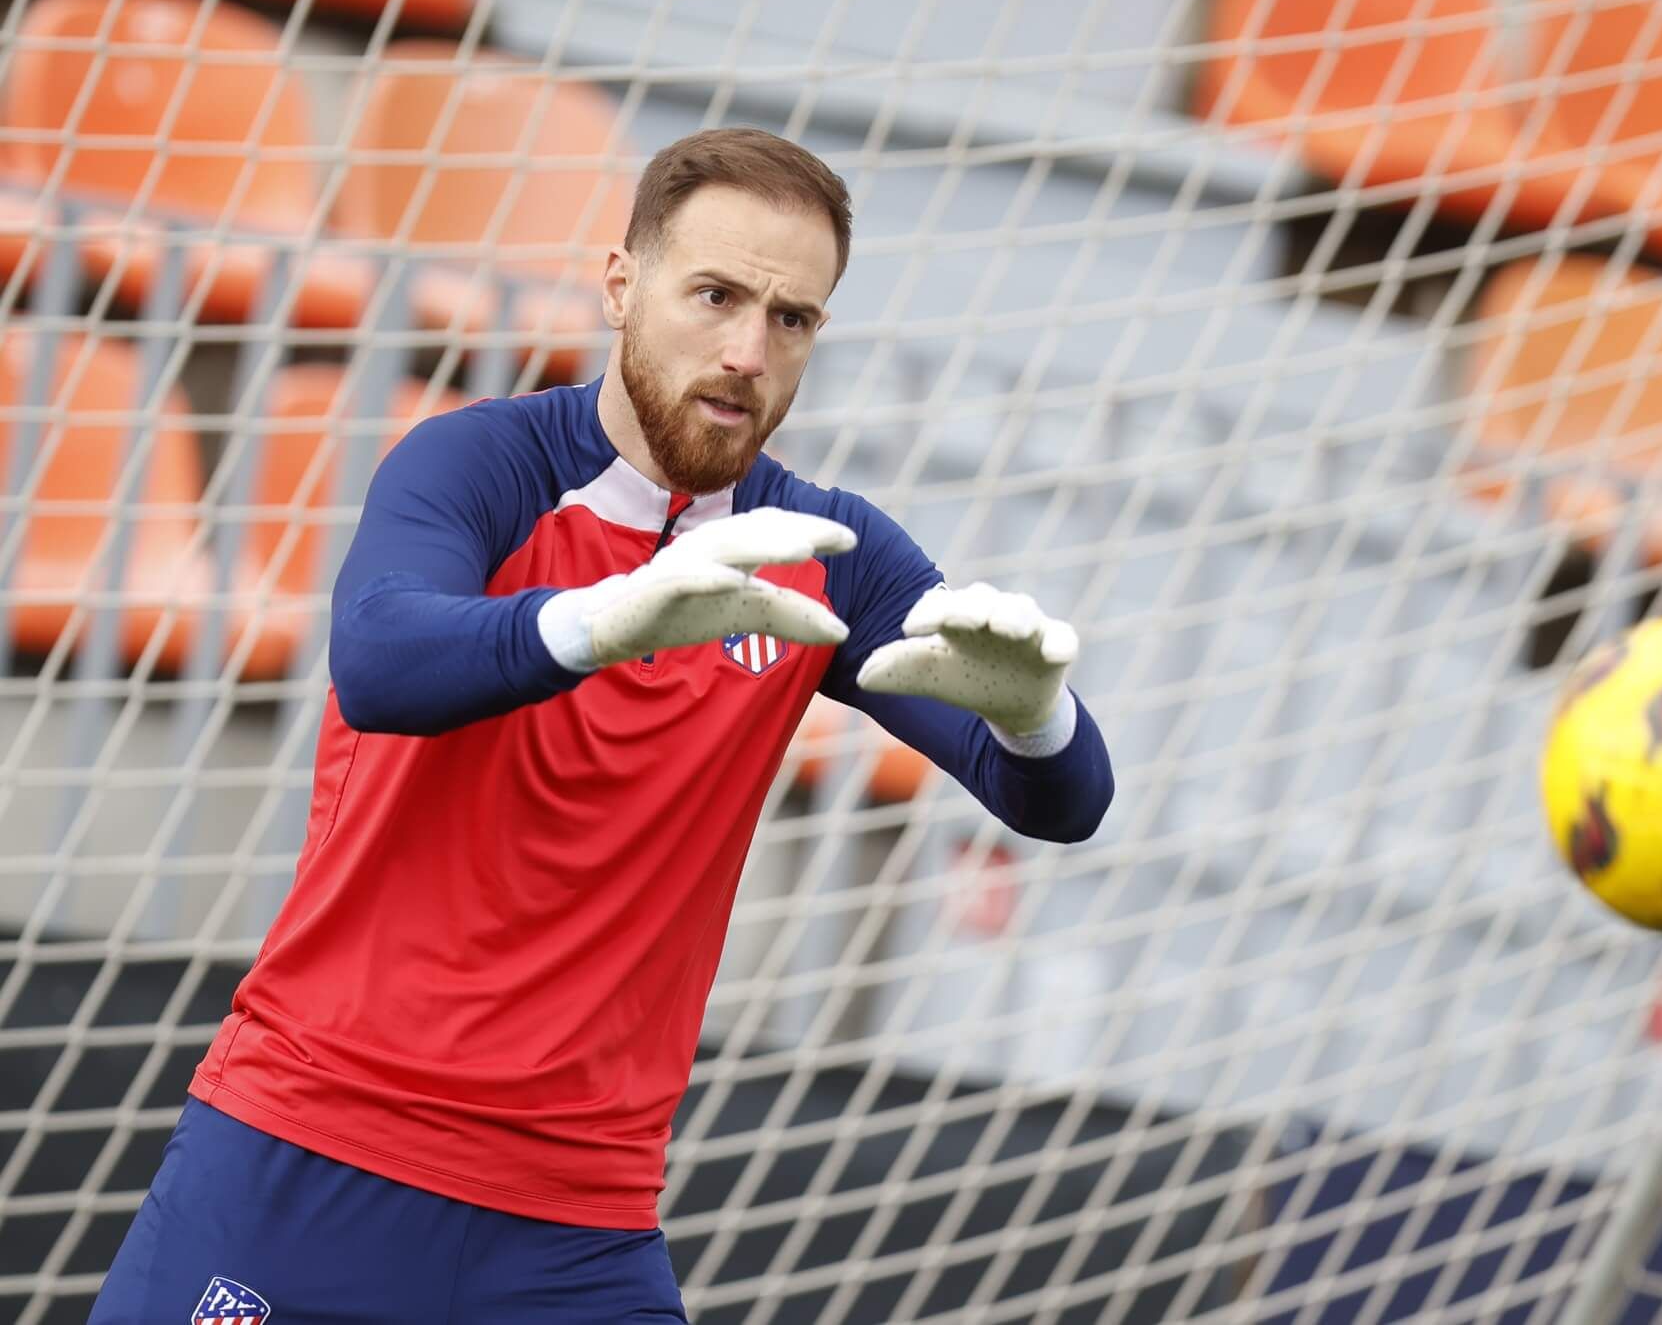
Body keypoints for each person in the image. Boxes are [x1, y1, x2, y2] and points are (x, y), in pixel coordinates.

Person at [91, 127, 1113, 1323]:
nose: (746, 353)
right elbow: (380, 661)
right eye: (715, 296)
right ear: (623, 284)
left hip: (574, 1230)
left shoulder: (825, 550)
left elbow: (1059, 802)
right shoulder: (479, 461)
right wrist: (606, 619)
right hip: (308, 1155)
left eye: (790, 319)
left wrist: (1035, 715)